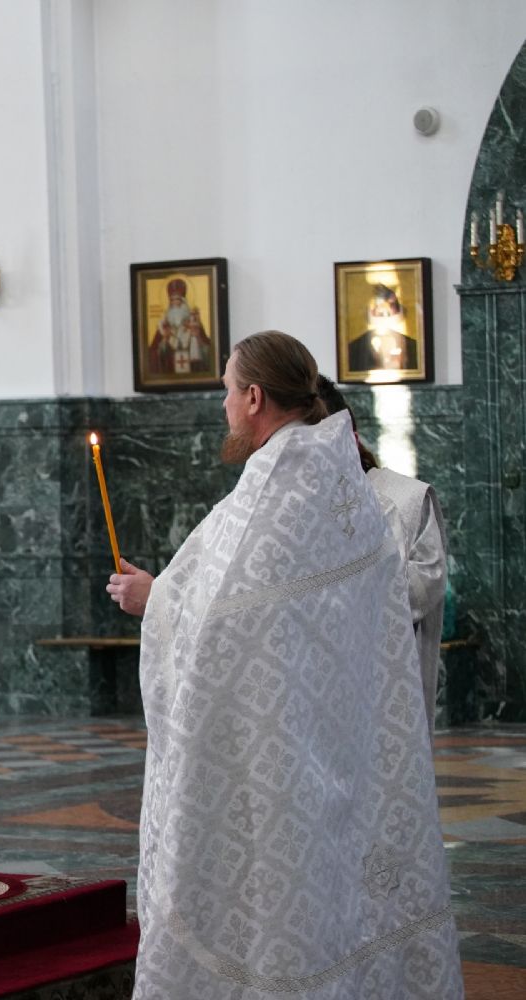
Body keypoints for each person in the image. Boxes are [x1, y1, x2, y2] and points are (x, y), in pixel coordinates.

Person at [108, 332, 461, 998]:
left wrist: (156, 602)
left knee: (280, 909)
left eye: (224, 390)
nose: (222, 407)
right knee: (338, 898)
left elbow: (228, 624)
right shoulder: (339, 485)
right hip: (341, 743)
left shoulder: (275, 494)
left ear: (253, 397)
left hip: (276, 758)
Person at [316, 376, 448, 732]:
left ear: (352, 440)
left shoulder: (406, 501)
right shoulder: (286, 512)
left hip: (386, 693)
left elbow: (426, 584)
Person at [346, 283, 419, 374]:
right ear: (371, 310)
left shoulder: (414, 347)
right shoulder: (353, 348)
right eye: (379, 307)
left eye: (391, 304)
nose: (384, 309)